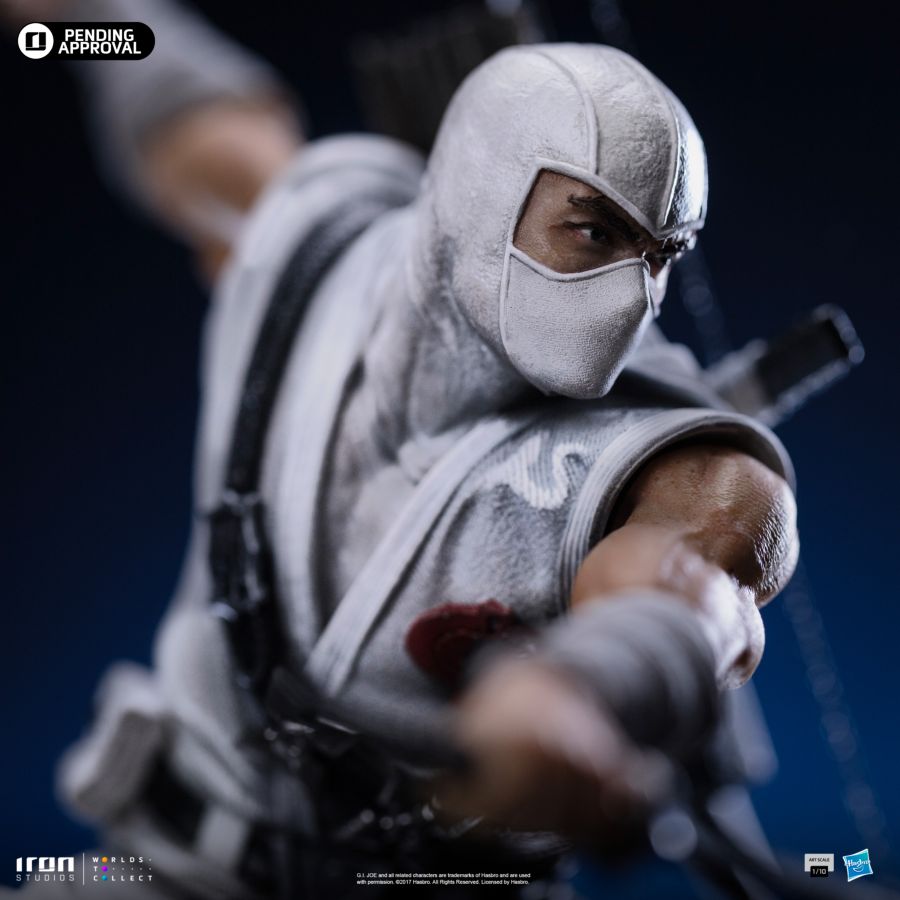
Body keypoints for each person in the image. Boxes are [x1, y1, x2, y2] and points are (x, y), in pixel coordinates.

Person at [5, 1, 799, 897]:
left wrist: (588, 684)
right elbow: (201, 125)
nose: (633, 294)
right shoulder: (310, 249)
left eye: (661, 254)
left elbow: (700, 573)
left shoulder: (652, 452)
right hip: (161, 864)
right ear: (484, 194)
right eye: (593, 233)